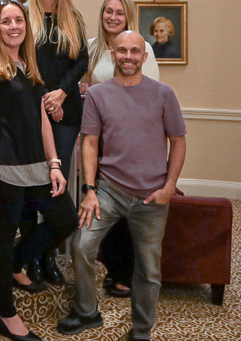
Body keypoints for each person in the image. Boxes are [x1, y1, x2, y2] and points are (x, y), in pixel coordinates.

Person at [57, 30, 186, 341]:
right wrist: (89, 189)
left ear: (144, 57)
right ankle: (88, 312)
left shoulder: (163, 94)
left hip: (152, 196)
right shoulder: (99, 95)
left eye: (135, 51)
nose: (128, 56)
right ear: (112, 55)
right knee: (81, 245)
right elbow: (90, 143)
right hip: (109, 190)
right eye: (122, 51)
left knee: (148, 270)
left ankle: (141, 331)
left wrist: (170, 186)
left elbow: (178, 142)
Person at [0, 0, 76, 341]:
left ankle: (17, 262)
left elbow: (42, 118)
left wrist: (55, 163)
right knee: (1, 238)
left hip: (37, 166)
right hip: (2, 167)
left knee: (65, 221)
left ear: (26, 27)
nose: (13, 26)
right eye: (5, 21)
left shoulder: (30, 64)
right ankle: (5, 313)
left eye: (18, 21)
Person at [79, 0, 160, 300]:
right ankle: (109, 265)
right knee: (102, 203)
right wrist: (85, 87)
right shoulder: (93, 46)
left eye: (119, 13)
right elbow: (86, 86)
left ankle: (125, 274)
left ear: (128, 18)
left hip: (130, 141)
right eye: (108, 11)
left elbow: (146, 95)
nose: (112, 17)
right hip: (98, 138)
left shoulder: (142, 47)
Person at [21, 0, 89, 285]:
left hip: (66, 112)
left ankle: (44, 254)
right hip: (32, 111)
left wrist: (61, 94)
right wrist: (46, 98)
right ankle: (32, 258)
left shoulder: (72, 17)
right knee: (32, 186)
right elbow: (19, 61)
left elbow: (81, 61)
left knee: (54, 189)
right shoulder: (23, 15)